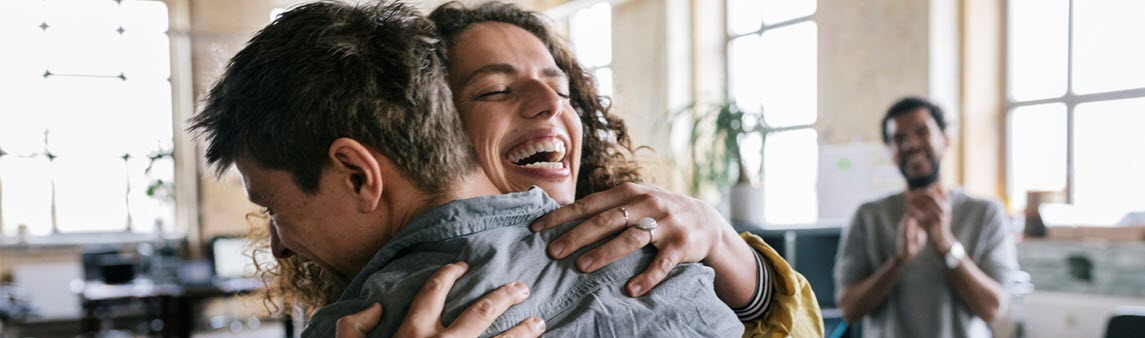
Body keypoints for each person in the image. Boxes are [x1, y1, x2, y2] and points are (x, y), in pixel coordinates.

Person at [191, 1, 742, 337]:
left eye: (562, 90)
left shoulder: (359, 321)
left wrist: (722, 241)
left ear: (360, 174)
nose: (550, 107)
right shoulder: (671, 275)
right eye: (496, 89)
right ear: (435, 120)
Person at [834, 96, 1020, 338]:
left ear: (945, 139)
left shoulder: (986, 213)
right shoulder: (867, 216)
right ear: (890, 152)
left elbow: (993, 309)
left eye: (922, 132)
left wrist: (946, 246)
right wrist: (897, 261)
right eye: (898, 139)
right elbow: (849, 310)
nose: (911, 144)